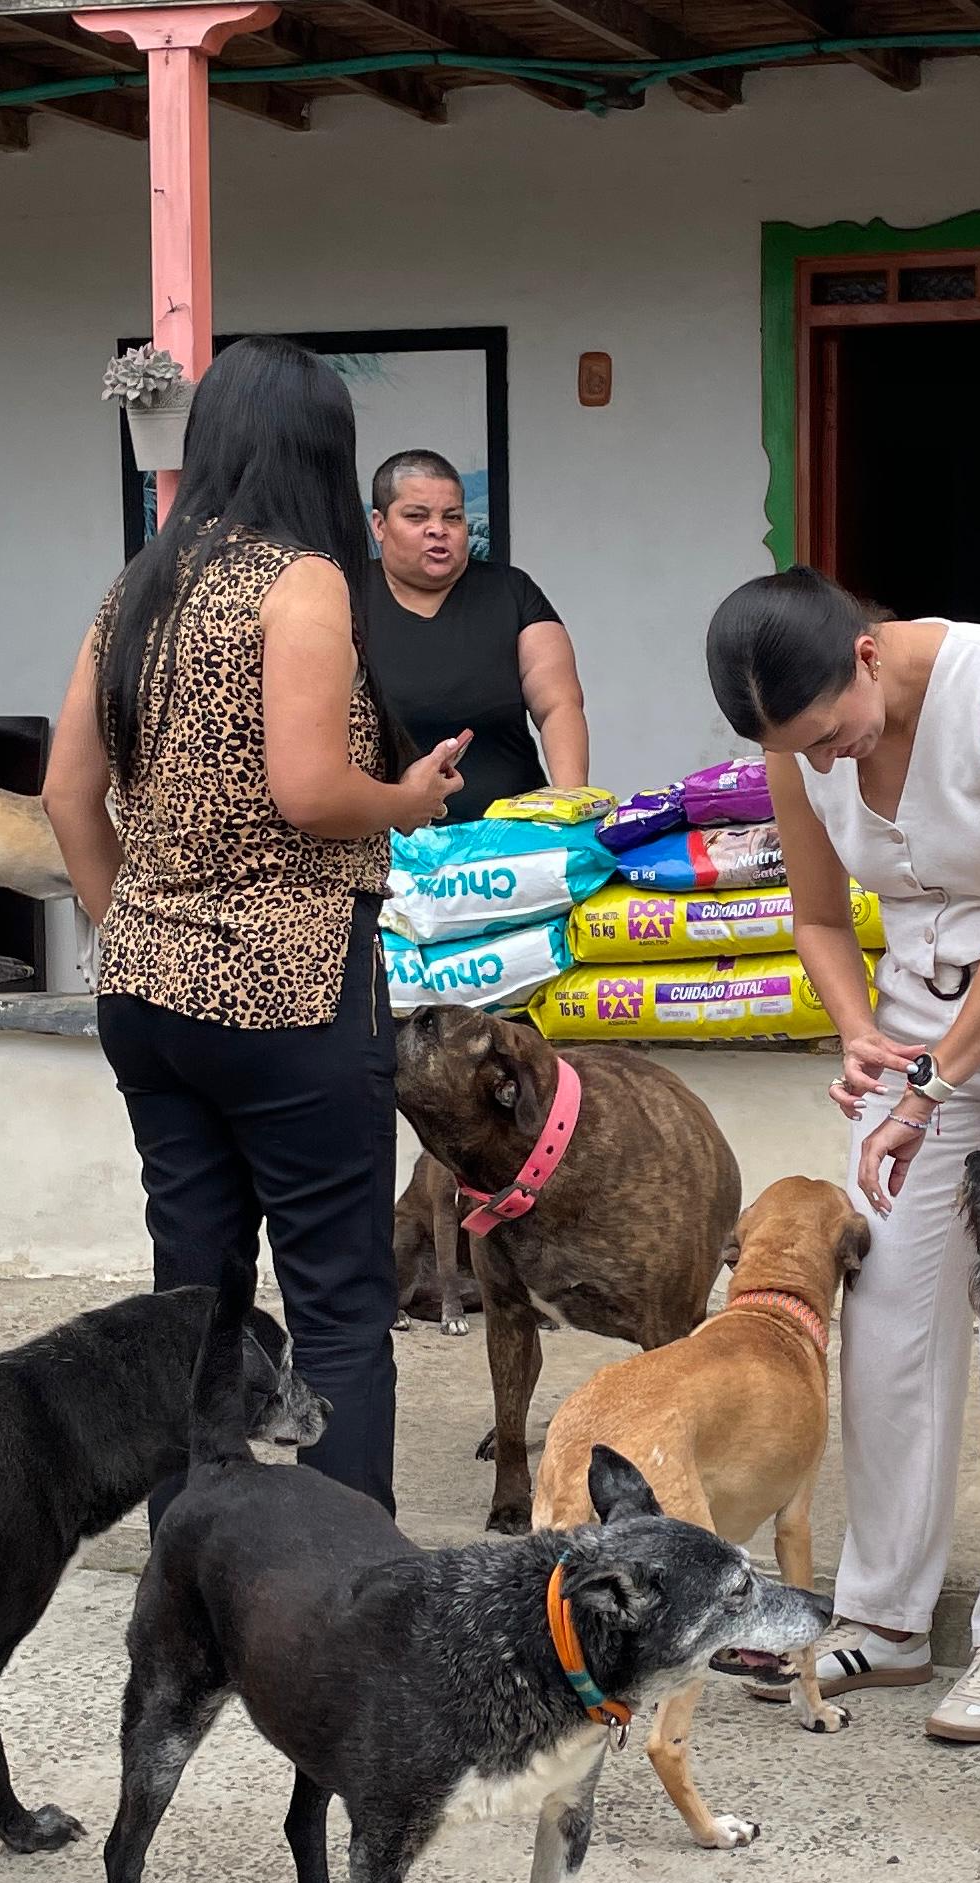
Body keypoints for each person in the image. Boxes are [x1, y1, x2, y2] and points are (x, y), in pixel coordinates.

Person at [703, 566, 980, 1745]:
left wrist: (932, 1086)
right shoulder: (794, 738)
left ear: (864, 655)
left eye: (830, 734)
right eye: (797, 752)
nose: (826, 762)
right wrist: (859, 1030)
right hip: (919, 1014)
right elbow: (815, 915)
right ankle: (885, 1616)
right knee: (892, 1312)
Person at [43, 340, 471, 1521]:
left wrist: (134, 922)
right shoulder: (305, 581)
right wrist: (412, 799)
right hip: (288, 992)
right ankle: (334, 1560)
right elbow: (312, 792)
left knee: (194, 1284)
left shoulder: (136, 584)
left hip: (148, 993)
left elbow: (67, 796)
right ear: (325, 455)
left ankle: (196, 1535)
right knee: (336, 1290)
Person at [365, 449, 588, 823]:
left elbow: (559, 706)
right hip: (386, 844)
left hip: (513, 840)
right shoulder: (342, 597)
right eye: (416, 516)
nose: (438, 529)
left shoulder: (512, 591)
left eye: (452, 517)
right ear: (379, 525)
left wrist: (570, 807)